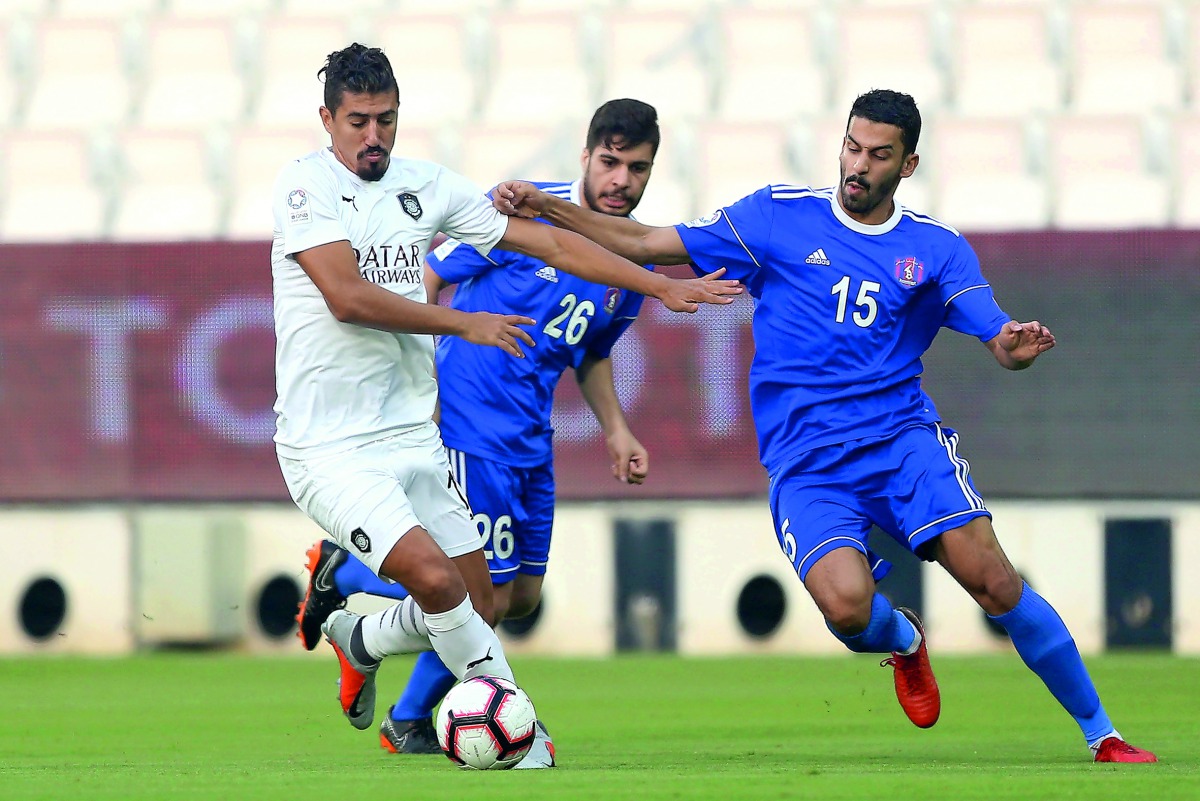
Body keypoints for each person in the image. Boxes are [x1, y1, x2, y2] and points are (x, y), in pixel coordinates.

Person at [490, 89, 1158, 764]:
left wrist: (1016, 345)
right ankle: (904, 640)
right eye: (852, 147)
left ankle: (1103, 734)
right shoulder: (776, 216)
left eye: (879, 155)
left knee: (994, 581)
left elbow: (999, 339)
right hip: (808, 464)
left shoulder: (935, 248)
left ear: (908, 164)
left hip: (902, 445)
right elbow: (643, 241)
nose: (859, 165)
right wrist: (547, 206)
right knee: (847, 608)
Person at [271, 43, 739, 759]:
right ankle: (515, 733)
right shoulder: (304, 186)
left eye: (386, 119)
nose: (374, 136)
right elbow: (347, 296)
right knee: (439, 581)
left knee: (486, 599)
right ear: (327, 119)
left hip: (412, 435)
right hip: (331, 444)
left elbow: (556, 247)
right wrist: (465, 325)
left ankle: (361, 637)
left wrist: (659, 284)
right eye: (358, 121)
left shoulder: (426, 185)